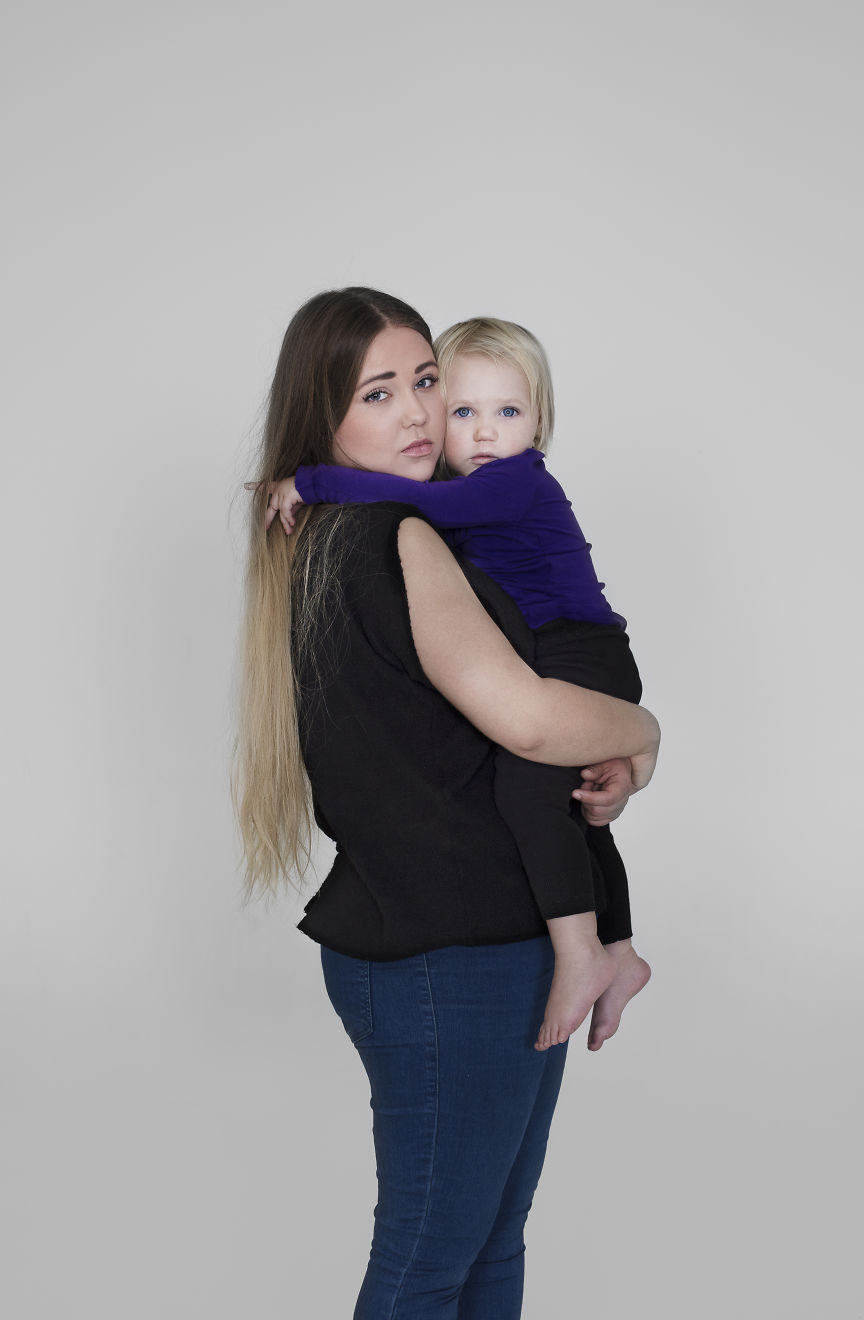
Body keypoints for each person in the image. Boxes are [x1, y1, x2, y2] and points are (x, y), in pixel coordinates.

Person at [236, 287, 660, 1319]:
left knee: (481, 1250)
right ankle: (598, 947)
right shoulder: (396, 535)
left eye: (426, 380)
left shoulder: (334, 541)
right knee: (434, 1264)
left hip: (469, 941)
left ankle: (601, 946)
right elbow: (526, 723)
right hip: (450, 957)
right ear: (325, 422)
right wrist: (643, 739)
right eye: (379, 393)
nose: (422, 413)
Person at [264, 317, 652, 1052]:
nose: (481, 432)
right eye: (464, 410)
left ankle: (587, 951)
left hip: (578, 649)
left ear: (540, 423)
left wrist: (311, 479)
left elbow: (430, 510)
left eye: (507, 412)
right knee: (562, 803)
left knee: (537, 792)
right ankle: (616, 952)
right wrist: (640, 739)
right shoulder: (397, 531)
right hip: (550, 666)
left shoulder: (507, 485)